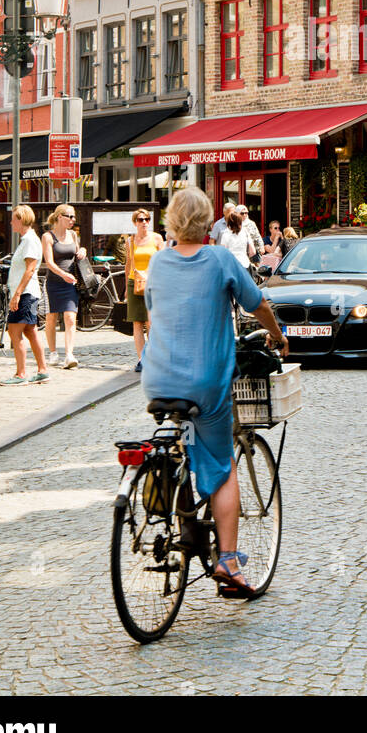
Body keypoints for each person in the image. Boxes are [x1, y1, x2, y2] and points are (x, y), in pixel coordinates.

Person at [141, 186, 288, 597]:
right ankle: (227, 561)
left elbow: (157, 313)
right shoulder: (220, 258)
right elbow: (256, 304)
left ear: (171, 221)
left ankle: (180, 517)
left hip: (157, 378)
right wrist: (277, 336)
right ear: (209, 223)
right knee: (223, 466)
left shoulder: (158, 263)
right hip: (205, 381)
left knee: (180, 443)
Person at [3, 206, 48, 385]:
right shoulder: (28, 239)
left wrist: (17, 294)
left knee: (14, 331)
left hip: (26, 293)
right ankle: (42, 370)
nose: (11, 222)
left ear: (21, 219)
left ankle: (20, 374)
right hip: (29, 293)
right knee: (30, 330)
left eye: (14, 219)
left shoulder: (29, 240)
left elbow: (30, 269)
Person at [41, 204, 86, 369]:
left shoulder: (73, 235)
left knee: (70, 317)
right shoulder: (48, 236)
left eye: (74, 217)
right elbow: (49, 262)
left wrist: (83, 251)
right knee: (51, 318)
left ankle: (69, 354)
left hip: (71, 283)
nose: (73, 220)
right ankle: (53, 352)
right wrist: (63, 274)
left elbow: (77, 251)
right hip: (54, 282)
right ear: (60, 216)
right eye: (70, 216)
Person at [125, 210, 164, 372]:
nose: (144, 222)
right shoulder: (130, 240)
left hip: (153, 283)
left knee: (151, 322)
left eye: (147, 219)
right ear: (135, 222)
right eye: (141, 219)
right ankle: (141, 359)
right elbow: (128, 263)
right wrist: (126, 286)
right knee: (137, 322)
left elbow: (163, 261)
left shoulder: (156, 238)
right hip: (135, 282)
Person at [219, 209, 256, 274]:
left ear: (229, 222)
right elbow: (253, 251)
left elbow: (222, 253)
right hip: (244, 264)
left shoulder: (225, 234)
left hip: (231, 266)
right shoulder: (245, 232)